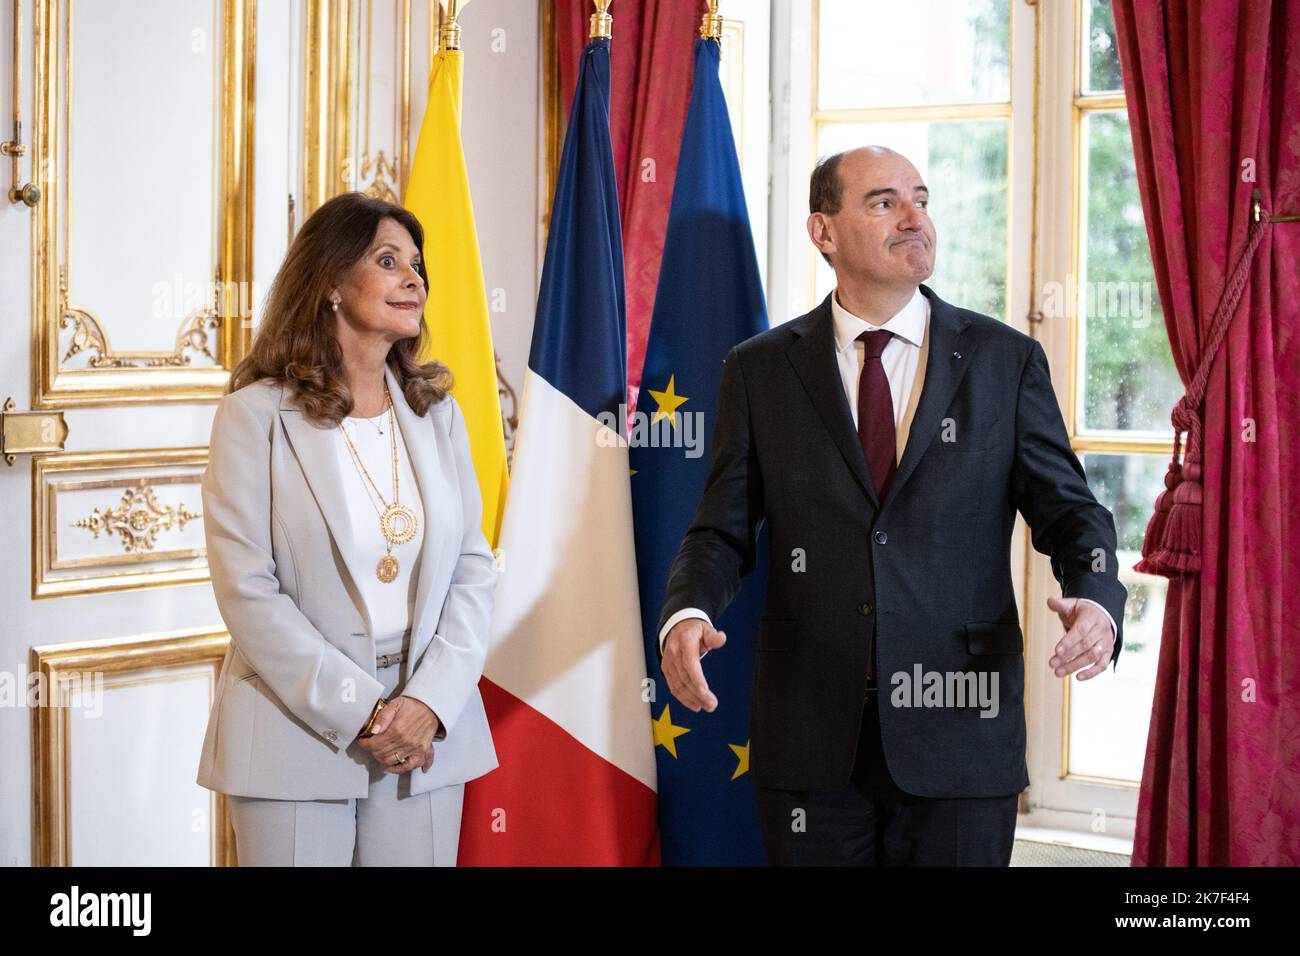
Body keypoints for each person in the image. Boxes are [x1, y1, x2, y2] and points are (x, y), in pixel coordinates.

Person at [656, 146, 1127, 866]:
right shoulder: (759, 370)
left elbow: (1072, 513)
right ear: (824, 232)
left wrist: (1095, 595)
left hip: (962, 738)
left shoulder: (1005, 360)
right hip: (811, 740)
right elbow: (719, 530)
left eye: (922, 199)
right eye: (884, 202)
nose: (915, 219)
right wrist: (687, 614)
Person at [195, 192, 497, 866]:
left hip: (425, 732)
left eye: (416, 265)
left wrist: (427, 703)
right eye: (387, 261)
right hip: (292, 730)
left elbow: (474, 568)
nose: (412, 279)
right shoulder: (255, 416)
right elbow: (247, 591)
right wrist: (362, 710)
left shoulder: (436, 412)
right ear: (331, 283)